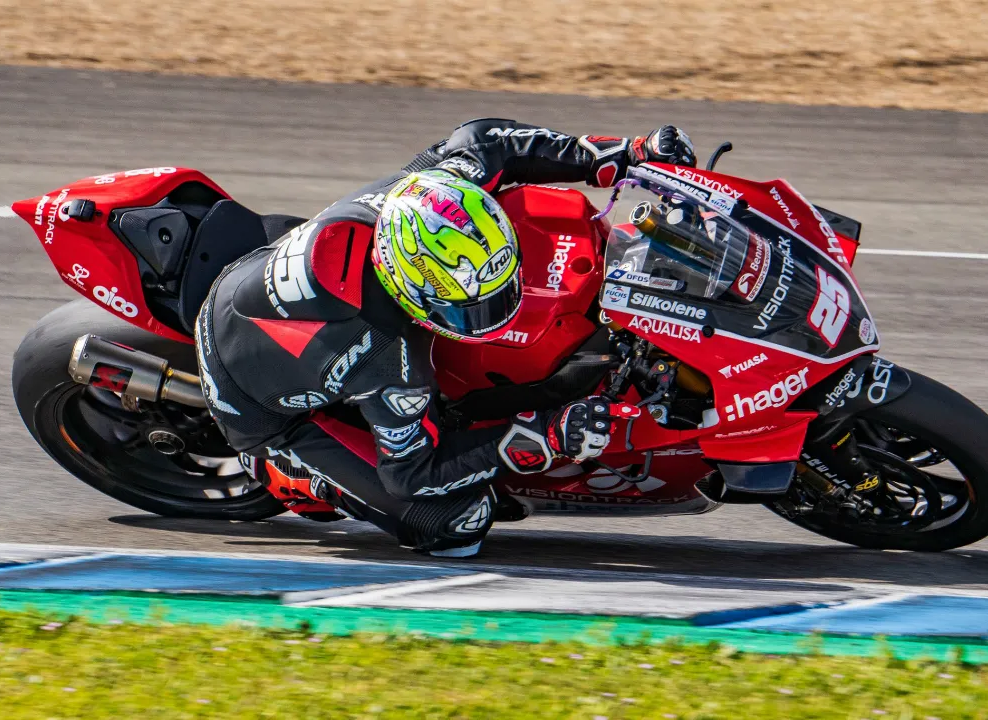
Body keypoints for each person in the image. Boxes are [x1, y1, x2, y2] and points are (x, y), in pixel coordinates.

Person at [195, 119, 695, 557]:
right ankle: (289, 475)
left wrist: (623, 153)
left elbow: (486, 140)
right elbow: (413, 475)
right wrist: (543, 434)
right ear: (404, 285)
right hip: (257, 403)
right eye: (471, 306)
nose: (494, 313)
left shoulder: (432, 190)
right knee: (455, 525)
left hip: (266, 273)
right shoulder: (385, 359)